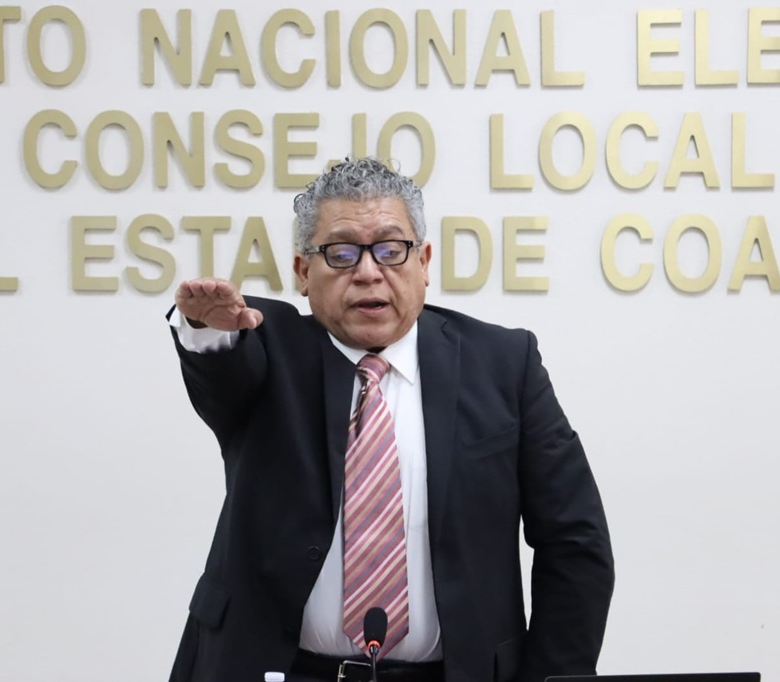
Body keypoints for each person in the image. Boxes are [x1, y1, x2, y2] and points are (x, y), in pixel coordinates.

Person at [167, 158, 613, 682]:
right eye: (341, 252)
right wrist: (207, 331)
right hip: (276, 670)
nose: (368, 271)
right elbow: (223, 380)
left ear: (424, 261)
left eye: (390, 248)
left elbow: (575, 542)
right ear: (303, 272)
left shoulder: (503, 364)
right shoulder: (268, 347)